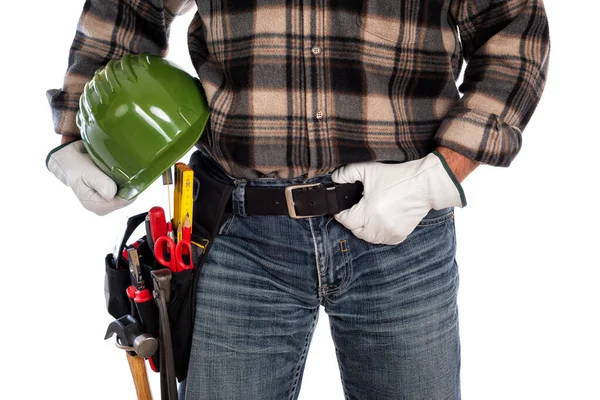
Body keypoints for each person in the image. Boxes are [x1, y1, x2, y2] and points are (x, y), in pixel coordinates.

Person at [46, 1, 550, 399]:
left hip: (404, 228)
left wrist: (437, 176)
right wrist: (78, 137)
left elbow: (513, 26)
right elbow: (128, 8)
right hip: (236, 235)